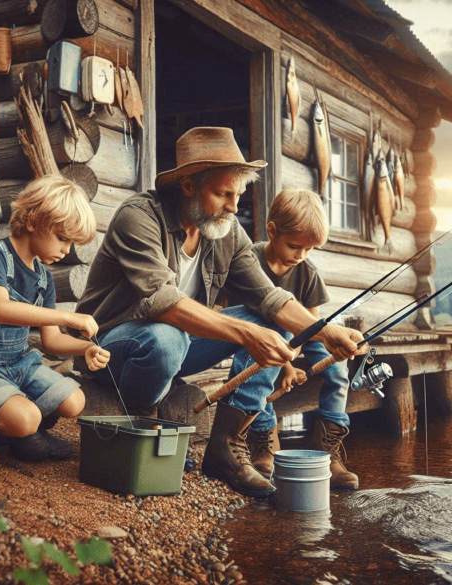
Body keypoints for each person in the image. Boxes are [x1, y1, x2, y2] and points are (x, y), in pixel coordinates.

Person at [73, 127, 366, 496]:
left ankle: (227, 444)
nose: (233, 206)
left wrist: (327, 332)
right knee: (167, 337)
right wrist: (246, 335)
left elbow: (271, 299)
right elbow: (162, 302)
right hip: (112, 350)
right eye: (223, 194)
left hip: (180, 347)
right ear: (188, 186)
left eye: (238, 195)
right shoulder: (139, 217)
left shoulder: (226, 232)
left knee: (268, 321)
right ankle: (145, 420)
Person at [0, 175, 111, 463]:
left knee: (74, 401)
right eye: (62, 238)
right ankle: (16, 428)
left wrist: (86, 348)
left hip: (18, 365)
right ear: (33, 221)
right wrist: (69, 316)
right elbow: (1, 309)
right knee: (27, 418)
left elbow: (52, 340)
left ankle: (20, 430)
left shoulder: (43, 279)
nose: (67, 250)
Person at [224, 189, 359, 490]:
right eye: (295, 246)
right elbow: (226, 313)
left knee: (337, 369)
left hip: (299, 335)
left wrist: (292, 359)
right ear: (272, 231)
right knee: (264, 366)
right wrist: (285, 366)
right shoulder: (247, 260)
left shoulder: (307, 272)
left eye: (310, 249)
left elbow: (311, 328)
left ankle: (329, 453)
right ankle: (265, 444)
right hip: (256, 337)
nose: (301, 256)